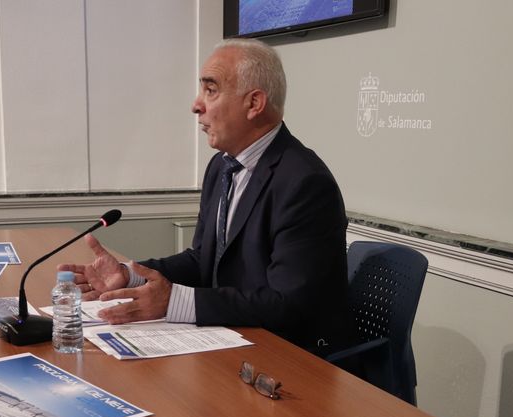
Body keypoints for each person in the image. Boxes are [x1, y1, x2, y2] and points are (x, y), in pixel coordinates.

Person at [59, 38, 348, 352]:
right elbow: (203, 259)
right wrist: (131, 276)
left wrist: (175, 302)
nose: (196, 105)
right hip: (235, 339)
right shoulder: (222, 166)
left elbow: (287, 303)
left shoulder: (305, 182)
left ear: (254, 103)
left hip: (292, 357)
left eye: (211, 90)